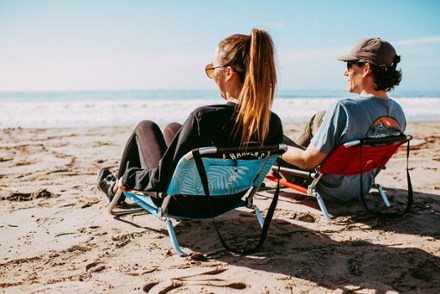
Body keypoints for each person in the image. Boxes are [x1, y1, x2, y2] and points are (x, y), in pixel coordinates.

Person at [97, 28, 283, 213]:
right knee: (173, 128)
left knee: (146, 127)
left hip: (183, 203)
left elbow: (161, 180)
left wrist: (130, 177)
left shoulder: (205, 118)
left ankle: (115, 190)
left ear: (228, 73)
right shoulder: (272, 122)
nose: (212, 77)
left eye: (212, 69)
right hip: (227, 201)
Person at [281, 37, 406, 202]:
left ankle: (292, 174)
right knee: (319, 117)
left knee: (267, 131)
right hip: (361, 186)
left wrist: (275, 146)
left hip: (328, 188)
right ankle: (290, 171)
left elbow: (307, 161)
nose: (345, 72)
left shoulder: (345, 108)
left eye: (349, 65)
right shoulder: (398, 113)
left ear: (366, 68)